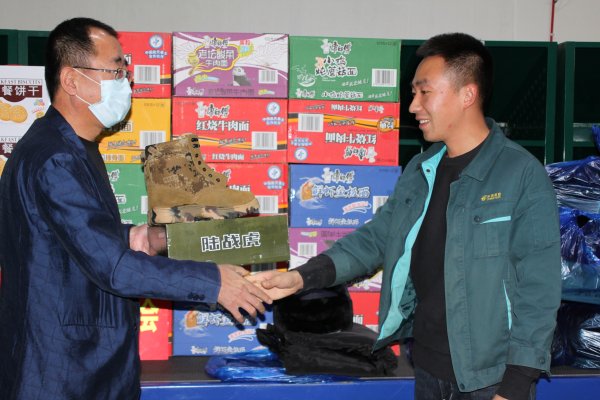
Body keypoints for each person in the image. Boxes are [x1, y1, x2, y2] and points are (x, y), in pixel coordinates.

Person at [249, 33, 562, 400]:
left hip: (490, 381)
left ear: (467, 94)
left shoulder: (520, 174)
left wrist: (516, 384)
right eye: (413, 93)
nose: (413, 106)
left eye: (424, 92)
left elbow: (539, 288)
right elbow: (375, 239)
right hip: (427, 369)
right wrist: (300, 278)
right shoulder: (420, 170)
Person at [0, 17, 271, 400]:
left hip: (82, 366)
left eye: (125, 72)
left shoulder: (70, 148)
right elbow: (111, 267)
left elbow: (75, 240)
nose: (126, 83)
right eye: (115, 71)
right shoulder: (55, 158)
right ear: (72, 80)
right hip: (63, 371)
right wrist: (213, 282)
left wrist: (147, 236)